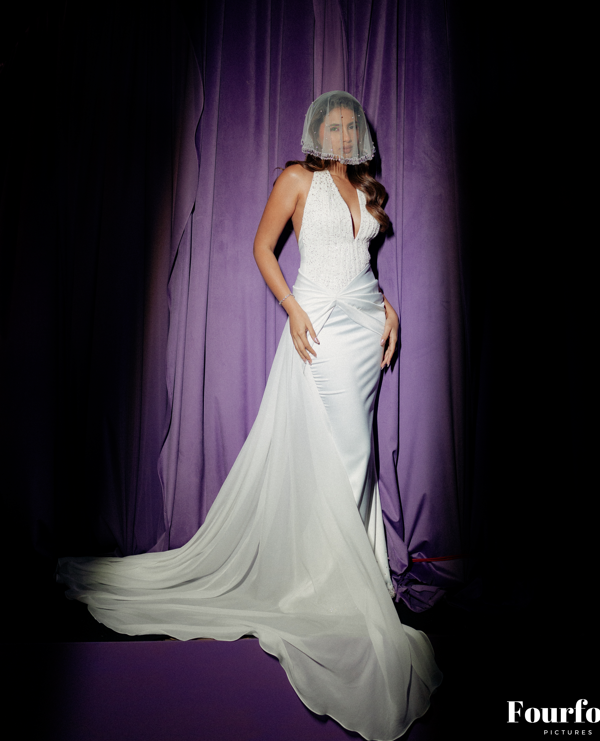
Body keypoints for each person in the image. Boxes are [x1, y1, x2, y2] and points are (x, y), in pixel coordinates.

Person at [58, 91, 442, 741]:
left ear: (361, 135)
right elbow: (263, 248)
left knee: (359, 457)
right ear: (316, 132)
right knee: (338, 455)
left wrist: (390, 311)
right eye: (332, 125)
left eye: (351, 125)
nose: (343, 133)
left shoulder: (365, 191)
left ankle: (352, 578)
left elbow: (362, 267)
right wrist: (293, 309)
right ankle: (325, 586)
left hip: (364, 332)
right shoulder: (296, 179)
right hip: (320, 329)